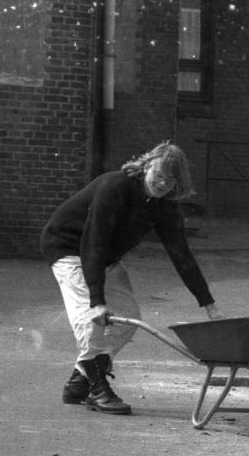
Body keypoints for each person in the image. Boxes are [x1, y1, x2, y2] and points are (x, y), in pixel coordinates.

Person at [40, 141, 221, 415]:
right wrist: (97, 299)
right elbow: (94, 240)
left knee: (127, 317)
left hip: (106, 259)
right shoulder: (115, 187)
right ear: (146, 165)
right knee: (91, 319)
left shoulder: (164, 207)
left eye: (170, 181)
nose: (162, 184)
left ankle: (80, 380)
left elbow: (181, 255)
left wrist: (207, 302)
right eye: (158, 175)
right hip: (70, 248)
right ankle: (97, 389)